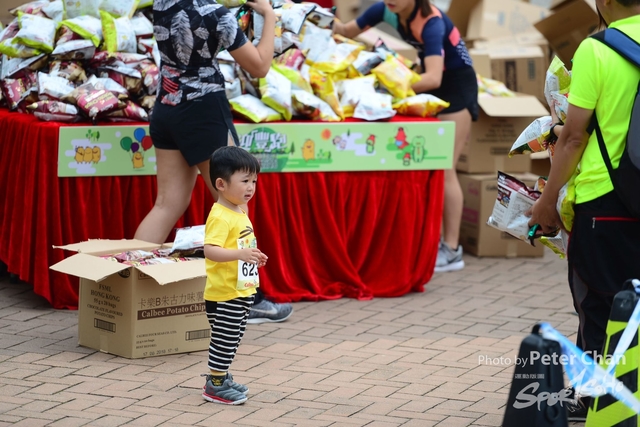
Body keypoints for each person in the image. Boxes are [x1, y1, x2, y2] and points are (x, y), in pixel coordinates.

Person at [135, 0, 292, 323]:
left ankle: (129, 282)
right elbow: (260, 66)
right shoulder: (218, 15)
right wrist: (268, 15)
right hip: (204, 111)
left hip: (166, 107)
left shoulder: (163, 4)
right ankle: (248, 300)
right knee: (233, 204)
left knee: (166, 204)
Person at [528, 0, 640, 421]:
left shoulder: (599, 47)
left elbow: (575, 137)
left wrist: (546, 201)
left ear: (606, 2)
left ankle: (598, 402)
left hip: (606, 200)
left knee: (600, 304)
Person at [333, 0, 478, 273]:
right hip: (426, 88)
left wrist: (388, 89)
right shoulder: (385, 9)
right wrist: (315, 19)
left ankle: (452, 250)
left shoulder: (432, 23)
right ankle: (433, 241)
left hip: (455, 91)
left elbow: (433, 78)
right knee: (429, 167)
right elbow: (346, 30)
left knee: (445, 169)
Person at [201, 146, 266, 405]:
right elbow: (210, 250)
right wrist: (240, 255)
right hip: (224, 293)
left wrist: (253, 256)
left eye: (254, 181)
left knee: (233, 338)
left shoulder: (240, 210)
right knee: (224, 340)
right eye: (245, 181)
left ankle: (222, 377)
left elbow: (242, 245)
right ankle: (214, 385)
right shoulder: (220, 216)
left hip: (241, 289)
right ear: (221, 184)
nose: (251, 187)